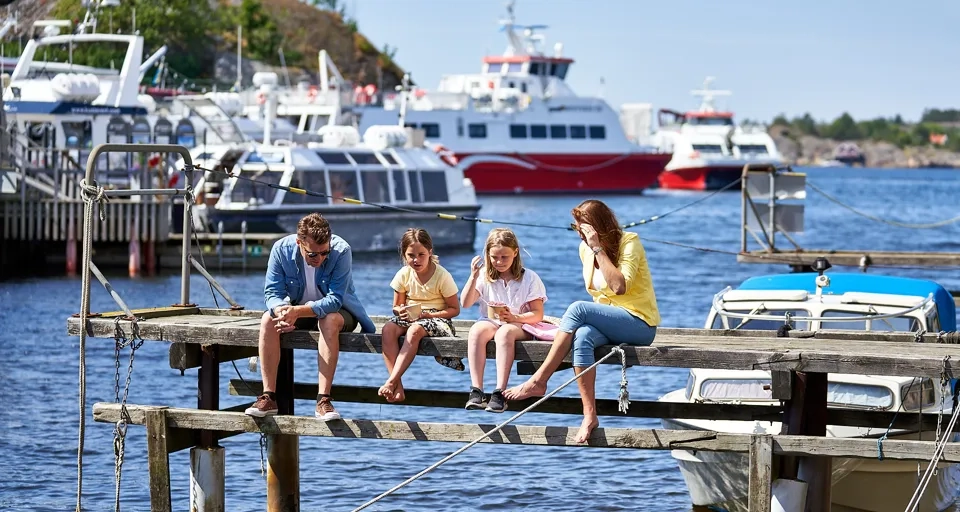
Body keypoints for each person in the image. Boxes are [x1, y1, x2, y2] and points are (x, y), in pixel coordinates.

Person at [505, 200, 659, 443]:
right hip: (609, 322)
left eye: (584, 228)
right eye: (576, 227)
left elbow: (619, 287)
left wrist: (598, 248)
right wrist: (591, 247)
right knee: (583, 336)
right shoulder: (583, 249)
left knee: (578, 308)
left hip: (639, 323)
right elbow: (600, 297)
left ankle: (539, 381)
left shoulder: (629, 242)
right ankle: (589, 416)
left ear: (599, 226)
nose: (579, 233)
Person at [244, 213, 375, 421]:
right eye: (313, 254)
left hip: (340, 313)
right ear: (299, 243)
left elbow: (335, 300)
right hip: (298, 311)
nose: (320, 259)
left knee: (328, 319)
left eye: (325, 253)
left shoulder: (342, 251)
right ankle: (268, 397)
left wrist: (297, 312)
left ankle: (324, 400)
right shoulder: (280, 249)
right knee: (268, 319)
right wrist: (282, 310)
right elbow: (272, 293)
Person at [460, 228, 548, 413]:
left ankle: (499, 392)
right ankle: (476, 390)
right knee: (476, 331)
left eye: (504, 257)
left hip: (522, 324)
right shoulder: (484, 275)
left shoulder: (529, 277)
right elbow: (466, 303)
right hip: (491, 321)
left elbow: (537, 314)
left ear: (515, 253)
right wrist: (473, 276)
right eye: (494, 257)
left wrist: (514, 317)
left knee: (504, 332)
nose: (499, 262)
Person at [378, 228, 461, 402]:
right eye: (411, 255)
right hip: (412, 315)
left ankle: (391, 382)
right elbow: (396, 306)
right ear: (404, 255)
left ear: (430, 252)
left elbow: (454, 309)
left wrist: (429, 316)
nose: (416, 260)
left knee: (414, 330)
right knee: (388, 330)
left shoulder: (442, 275)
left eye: (421, 254)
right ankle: (398, 387)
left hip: (437, 318)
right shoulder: (403, 274)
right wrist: (400, 311)